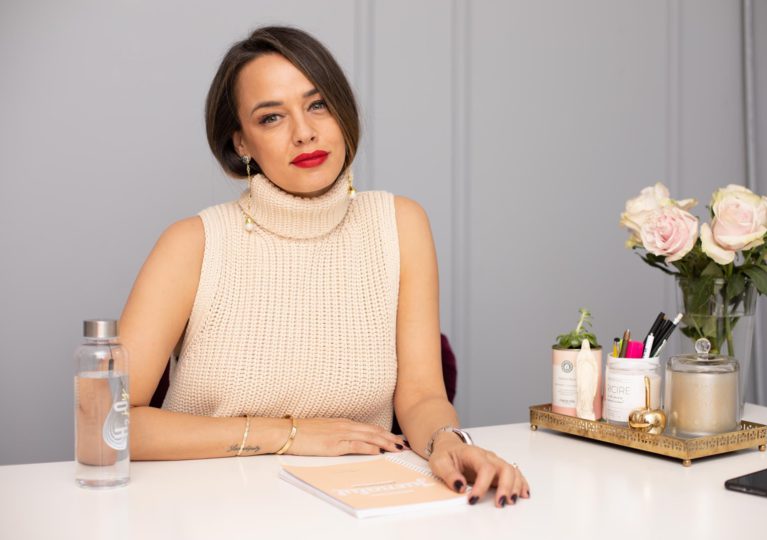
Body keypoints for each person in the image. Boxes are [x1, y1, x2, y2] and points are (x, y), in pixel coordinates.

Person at [120, 25, 529, 508]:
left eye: (318, 105)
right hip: (206, 507)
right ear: (241, 142)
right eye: (272, 117)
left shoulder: (400, 224)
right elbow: (110, 421)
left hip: (357, 506)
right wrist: (289, 434)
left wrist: (449, 443)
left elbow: (421, 395)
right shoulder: (192, 243)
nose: (304, 132)